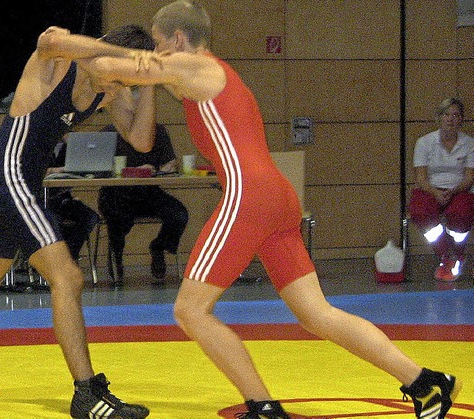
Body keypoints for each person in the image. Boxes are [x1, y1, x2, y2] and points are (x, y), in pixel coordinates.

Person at [82, 2, 462, 418]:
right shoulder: (197, 75)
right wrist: (123, 81)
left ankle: (263, 407)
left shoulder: (198, 67)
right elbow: (140, 136)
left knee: (189, 311)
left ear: (176, 40)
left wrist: (68, 47)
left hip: (249, 197)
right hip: (276, 198)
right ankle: (426, 381)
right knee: (317, 314)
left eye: (157, 43)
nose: (155, 53)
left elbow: (123, 67)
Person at [0, 24, 158, 419]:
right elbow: (48, 39)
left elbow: (142, 142)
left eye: (123, 80)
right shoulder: (59, 62)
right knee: (67, 278)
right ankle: (87, 393)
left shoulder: (110, 86)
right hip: (8, 178)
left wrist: (149, 79)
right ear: (105, 51)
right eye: (114, 73)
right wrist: (117, 58)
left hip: (21, 187)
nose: (113, 85)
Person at [99, 121, 188, 283]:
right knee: (117, 217)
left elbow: (169, 162)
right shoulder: (109, 131)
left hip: (149, 191)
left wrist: (166, 168)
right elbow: (98, 167)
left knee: (179, 215)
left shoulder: (158, 130)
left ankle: (159, 246)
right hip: (116, 193)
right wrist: (136, 170)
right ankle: (115, 256)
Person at [409, 98, 474, 282]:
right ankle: (446, 256)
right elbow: (420, 178)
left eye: (455, 115)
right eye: (446, 114)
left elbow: (469, 178)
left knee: (461, 214)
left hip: (459, 189)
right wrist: (436, 192)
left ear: (461, 119)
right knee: (420, 212)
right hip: (429, 188)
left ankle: (459, 254)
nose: (450, 119)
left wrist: (452, 191)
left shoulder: (469, 144)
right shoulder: (424, 142)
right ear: (439, 118)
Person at [45, 136, 100, 261]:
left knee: (90, 218)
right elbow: (30, 172)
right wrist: (56, 170)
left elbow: (84, 166)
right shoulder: (34, 145)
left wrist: (73, 143)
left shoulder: (68, 146)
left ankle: (67, 258)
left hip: (63, 199)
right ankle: (58, 260)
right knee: (53, 220)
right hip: (40, 200)